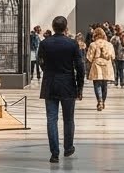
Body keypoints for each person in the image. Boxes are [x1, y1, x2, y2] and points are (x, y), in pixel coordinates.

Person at [37, 15, 84, 164]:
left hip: (50, 83)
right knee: (68, 119)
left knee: (51, 119)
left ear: (53, 27)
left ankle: (54, 153)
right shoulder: (72, 44)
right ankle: (68, 147)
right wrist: (80, 86)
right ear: (65, 28)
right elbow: (80, 67)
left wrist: (48, 71)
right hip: (68, 84)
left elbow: (40, 61)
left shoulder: (45, 43)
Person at [86, 28, 115, 110]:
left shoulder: (93, 44)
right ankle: (103, 102)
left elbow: (89, 58)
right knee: (104, 85)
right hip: (107, 66)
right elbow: (113, 57)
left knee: (97, 84)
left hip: (96, 66)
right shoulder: (109, 44)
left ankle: (100, 101)